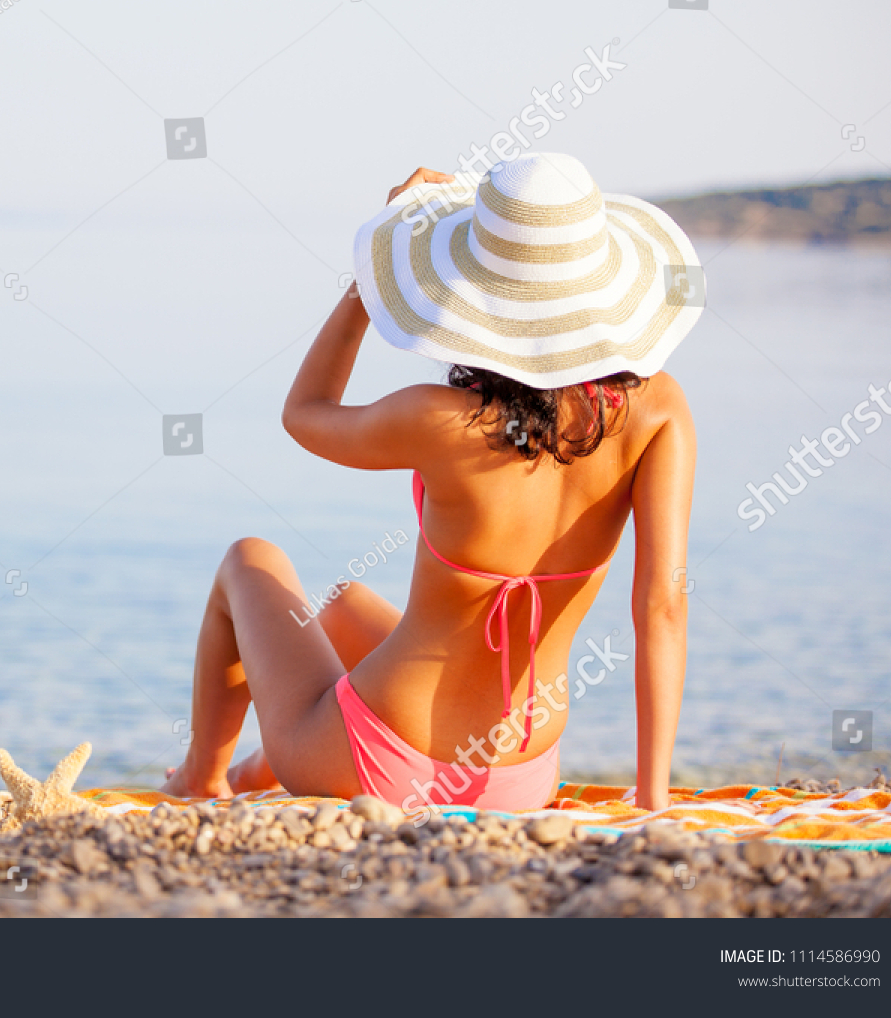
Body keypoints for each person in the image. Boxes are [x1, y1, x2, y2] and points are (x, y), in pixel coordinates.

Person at [161, 153, 701, 815]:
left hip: (379, 761)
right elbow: (661, 608)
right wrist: (652, 805)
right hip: (523, 776)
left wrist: (370, 278)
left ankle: (199, 780)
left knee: (250, 560)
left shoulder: (443, 420)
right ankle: (251, 772)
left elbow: (303, 414)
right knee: (339, 606)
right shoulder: (658, 410)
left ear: (477, 295)